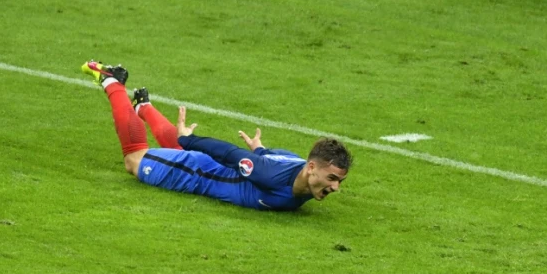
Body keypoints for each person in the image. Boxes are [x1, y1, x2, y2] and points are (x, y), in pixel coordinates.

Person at [81, 60, 353, 211]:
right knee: (134, 158)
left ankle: (143, 106)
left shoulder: (299, 167)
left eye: (339, 181)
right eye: (332, 179)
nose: (335, 188)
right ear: (312, 167)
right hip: (195, 174)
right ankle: (112, 80)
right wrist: (190, 140)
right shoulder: (268, 175)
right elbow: (229, 152)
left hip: (213, 166)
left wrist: (259, 149)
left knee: (178, 146)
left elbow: (272, 156)